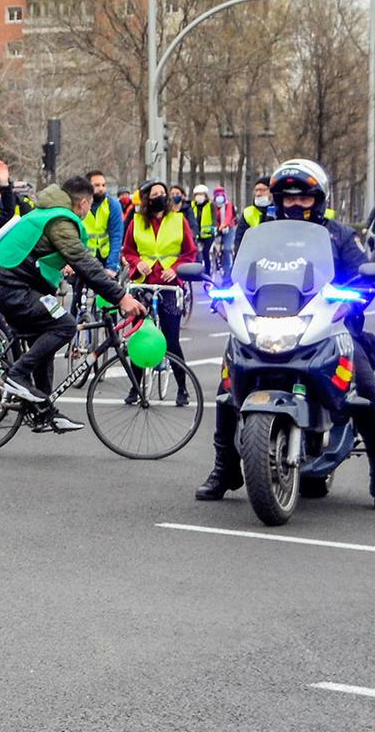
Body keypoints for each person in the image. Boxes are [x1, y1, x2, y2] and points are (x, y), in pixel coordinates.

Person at [197, 159, 375, 500]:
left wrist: (354, 298)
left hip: (331, 326)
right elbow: (239, 276)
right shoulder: (260, 234)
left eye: (304, 198)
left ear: (318, 199)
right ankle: (226, 468)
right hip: (268, 324)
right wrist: (224, 297)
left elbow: (363, 273)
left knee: (365, 388)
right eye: (288, 198)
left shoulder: (339, 235)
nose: (295, 204)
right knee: (225, 389)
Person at [0, 175, 145, 432]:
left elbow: (58, 257)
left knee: (45, 344)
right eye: (89, 205)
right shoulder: (60, 220)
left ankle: (43, 412)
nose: (88, 211)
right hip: (12, 289)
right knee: (65, 326)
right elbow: (85, 263)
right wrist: (122, 297)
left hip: (15, 287)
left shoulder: (49, 213)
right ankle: (15, 375)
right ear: (83, 202)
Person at [122, 179, 196, 405]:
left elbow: (190, 252)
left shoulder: (178, 220)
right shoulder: (135, 222)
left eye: (163, 193)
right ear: (146, 199)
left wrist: (175, 271)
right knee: (140, 336)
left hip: (169, 286)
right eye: (154, 194)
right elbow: (128, 251)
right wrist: (136, 265)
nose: (160, 198)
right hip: (144, 285)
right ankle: (135, 389)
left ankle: (182, 389)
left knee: (171, 340)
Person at [82, 170, 127, 280]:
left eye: (103, 185)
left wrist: (112, 266)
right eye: (96, 185)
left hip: (105, 257)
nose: (101, 188)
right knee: (78, 294)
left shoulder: (112, 205)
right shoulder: (80, 204)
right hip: (83, 258)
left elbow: (116, 236)